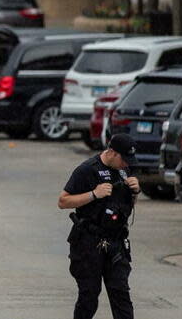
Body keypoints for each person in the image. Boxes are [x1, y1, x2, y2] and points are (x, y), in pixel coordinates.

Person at [58, 134, 141, 319]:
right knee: (89, 296)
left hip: (116, 241)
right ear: (111, 152)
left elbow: (125, 206)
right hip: (89, 242)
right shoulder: (87, 170)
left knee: (121, 294)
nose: (126, 164)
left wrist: (135, 192)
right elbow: (63, 201)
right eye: (123, 159)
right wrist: (94, 194)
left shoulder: (125, 170)